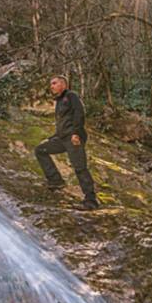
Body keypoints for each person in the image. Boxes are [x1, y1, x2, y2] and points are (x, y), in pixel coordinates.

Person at [35, 76, 100, 208]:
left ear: (63, 84)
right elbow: (63, 124)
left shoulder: (71, 96)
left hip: (73, 138)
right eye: (51, 84)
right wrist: (51, 138)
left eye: (54, 83)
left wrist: (76, 134)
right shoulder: (59, 101)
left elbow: (79, 114)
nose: (51, 86)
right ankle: (56, 181)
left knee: (80, 167)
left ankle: (91, 200)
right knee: (40, 150)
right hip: (62, 138)